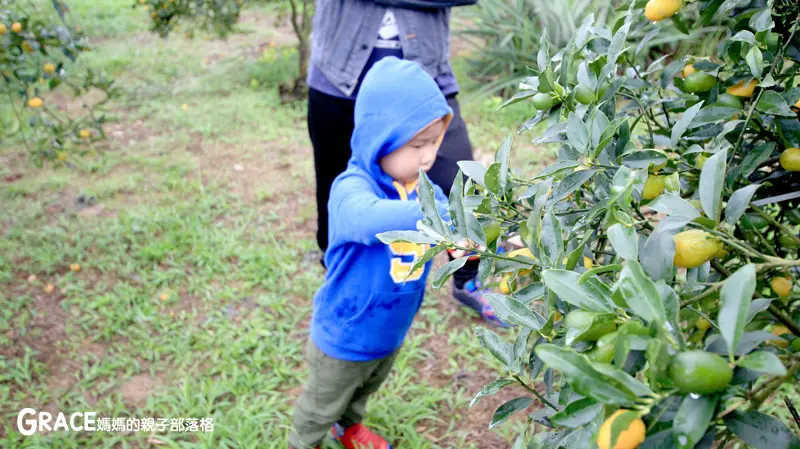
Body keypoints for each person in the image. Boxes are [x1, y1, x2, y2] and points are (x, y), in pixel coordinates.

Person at [307, 0, 505, 326]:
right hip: (339, 78)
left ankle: (469, 278)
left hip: (426, 79)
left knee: (461, 182)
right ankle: (339, 279)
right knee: (335, 191)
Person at [289, 57, 454, 449]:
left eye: (434, 141)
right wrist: (437, 215)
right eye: (417, 145)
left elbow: (455, 229)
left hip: (389, 328)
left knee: (363, 391)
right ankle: (305, 442)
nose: (428, 156)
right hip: (345, 332)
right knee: (321, 404)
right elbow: (369, 220)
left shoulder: (423, 190)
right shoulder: (351, 190)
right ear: (380, 138)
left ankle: (348, 428)